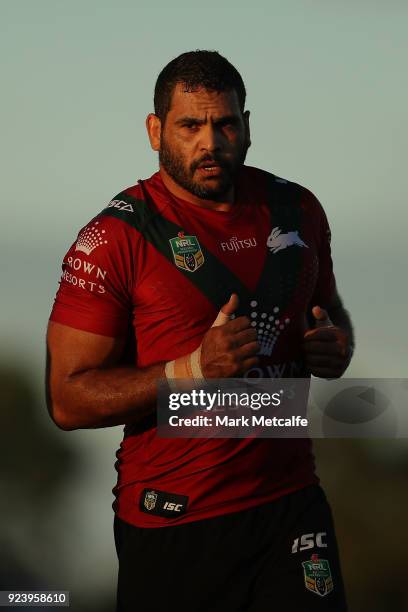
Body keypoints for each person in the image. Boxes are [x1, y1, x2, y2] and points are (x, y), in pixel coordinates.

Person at [46, 50, 354, 611]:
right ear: (155, 130)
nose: (209, 143)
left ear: (247, 126)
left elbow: (329, 310)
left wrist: (335, 343)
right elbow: (67, 400)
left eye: (225, 124)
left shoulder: (298, 208)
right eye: (190, 126)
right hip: (175, 517)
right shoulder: (115, 238)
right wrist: (192, 371)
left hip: (292, 504)